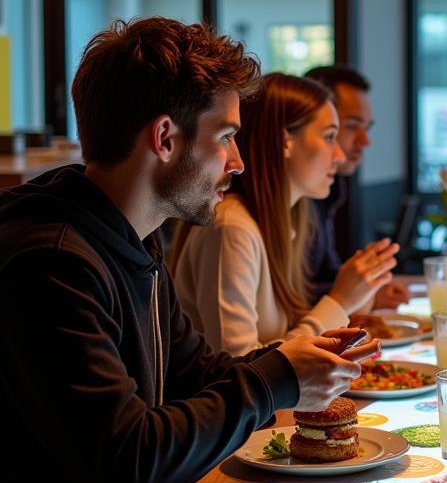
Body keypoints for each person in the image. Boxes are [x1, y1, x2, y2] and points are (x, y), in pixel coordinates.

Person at [0, 17, 388, 483]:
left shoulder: (130, 242)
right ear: (163, 139)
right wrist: (276, 380)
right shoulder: (48, 265)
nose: (240, 162)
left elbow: (200, 373)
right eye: (225, 137)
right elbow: (130, 461)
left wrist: (297, 360)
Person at [172, 72, 401, 356]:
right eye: (329, 136)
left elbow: (288, 336)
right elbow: (239, 368)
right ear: (284, 142)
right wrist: (340, 301)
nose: (339, 155)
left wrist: (361, 292)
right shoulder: (232, 227)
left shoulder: (287, 220)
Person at [304, 64, 408, 309]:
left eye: (367, 128)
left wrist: (366, 288)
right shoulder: (242, 220)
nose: (365, 141)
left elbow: (324, 277)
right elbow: (292, 299)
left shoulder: (330, 189)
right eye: (351, 126)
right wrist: (363, 297)